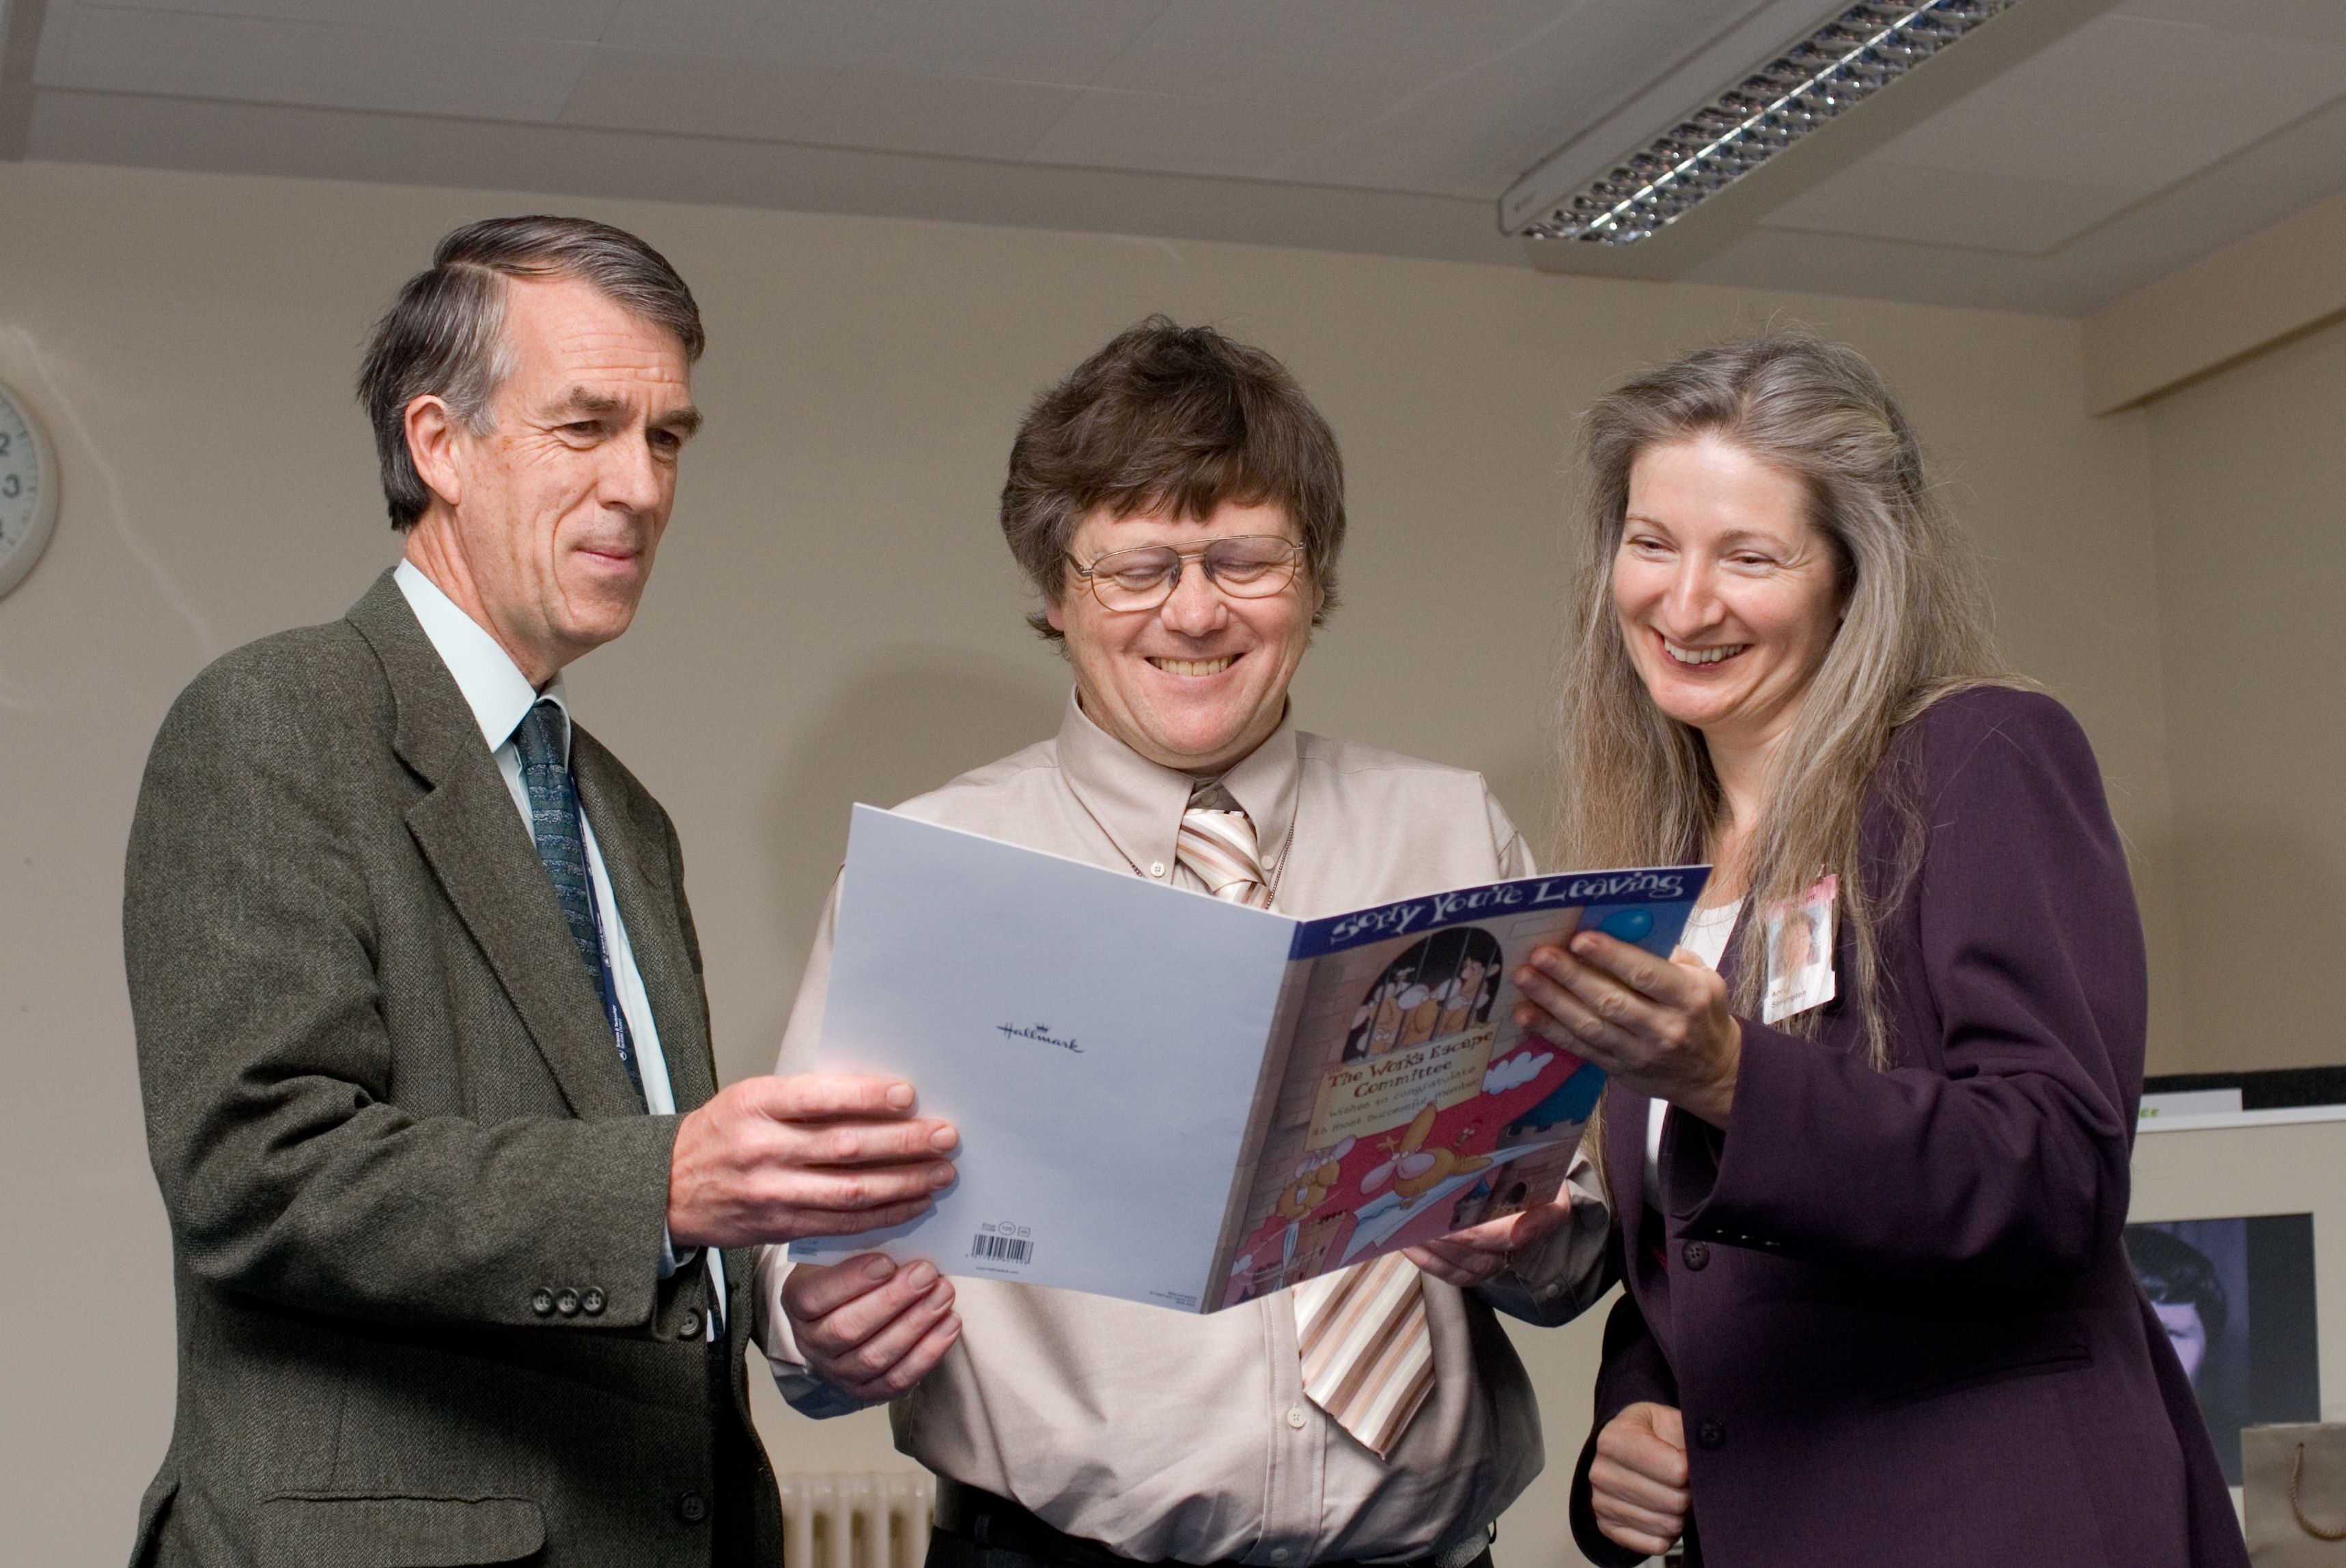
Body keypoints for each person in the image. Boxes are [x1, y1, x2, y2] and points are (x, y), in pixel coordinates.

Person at [124, 216, 958, 1567]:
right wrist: (668, 1182)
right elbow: (253, 1170)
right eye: (586, 428)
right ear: (439, 444)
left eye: (667, 438)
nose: (641, 486)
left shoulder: (623, 815)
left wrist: (786, 1313)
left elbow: (650, 1228)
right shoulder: (273, 719)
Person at [753, 318, 1612, 1568]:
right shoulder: (936, 872)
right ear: (1059, 593)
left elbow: (1574, 1233)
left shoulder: (1456, 832)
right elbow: (801, 1251)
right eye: (1139, 568)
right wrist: (816, 1325)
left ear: (1313, 581)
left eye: (1245, 561)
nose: (1197, 612)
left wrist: (1536, 1234)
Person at [1511, 336, 2246, 1567]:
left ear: (1853, 578)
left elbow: (2058, 1176)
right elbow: (1701, 1257)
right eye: (1652, 545)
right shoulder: (1664, 868)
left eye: (1750, 557)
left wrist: (1731, 1076)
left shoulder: (1975, 757)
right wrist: (1634, 1415)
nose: (1685, 605)